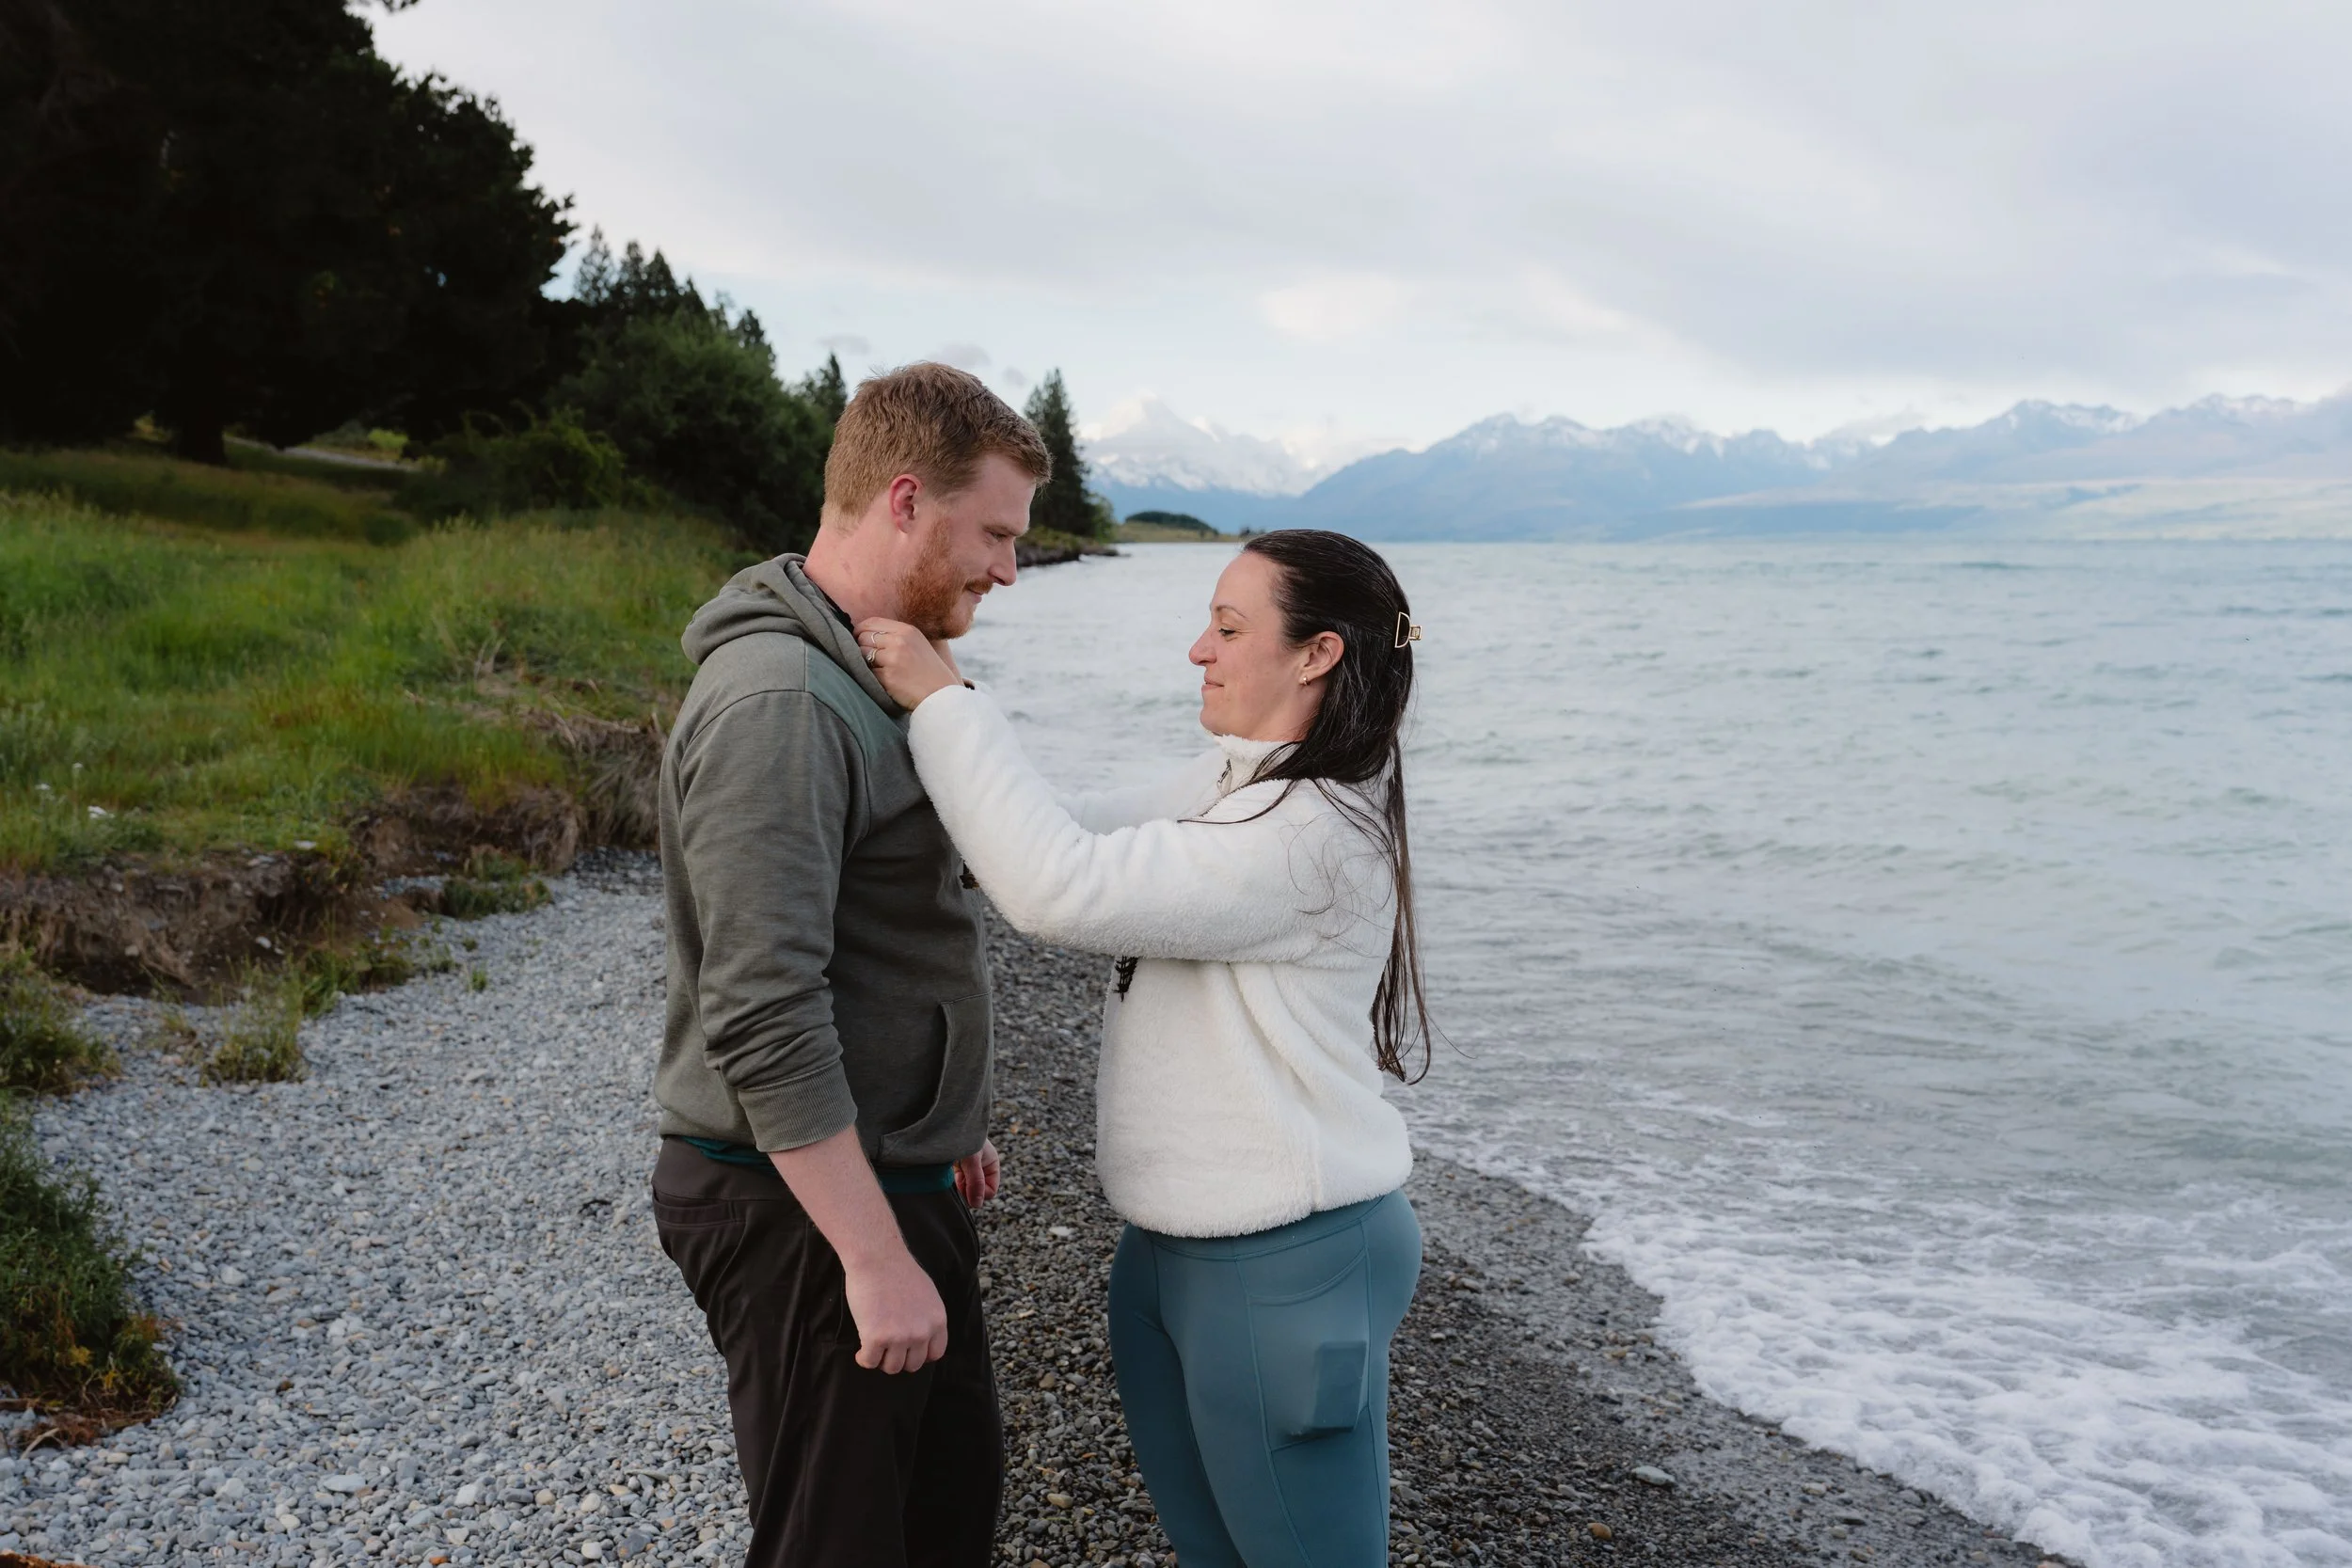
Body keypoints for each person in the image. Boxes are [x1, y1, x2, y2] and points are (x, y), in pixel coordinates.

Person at [858, 529, 1432, 1568]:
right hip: (1172, 1253)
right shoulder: (1232, 783)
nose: (1196, 651)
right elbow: (1062, 828)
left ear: (1318, 654)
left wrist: (945, 700)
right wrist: (940, 713)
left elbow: (1058, 887)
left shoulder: (1311, 835)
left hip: (1284, 1262)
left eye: (1225, 626)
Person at [649, 361, 1049, 1568]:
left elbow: (888, 923)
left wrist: (941, 1115)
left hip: (880, 1174)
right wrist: (872, 1257)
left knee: (937, 1517)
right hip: (801, 1211)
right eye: (994, 533)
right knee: (840, 1544)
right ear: (907, 500)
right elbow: (762, 1006)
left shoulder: (864, 670)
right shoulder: (783, 699)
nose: (1008, 569)